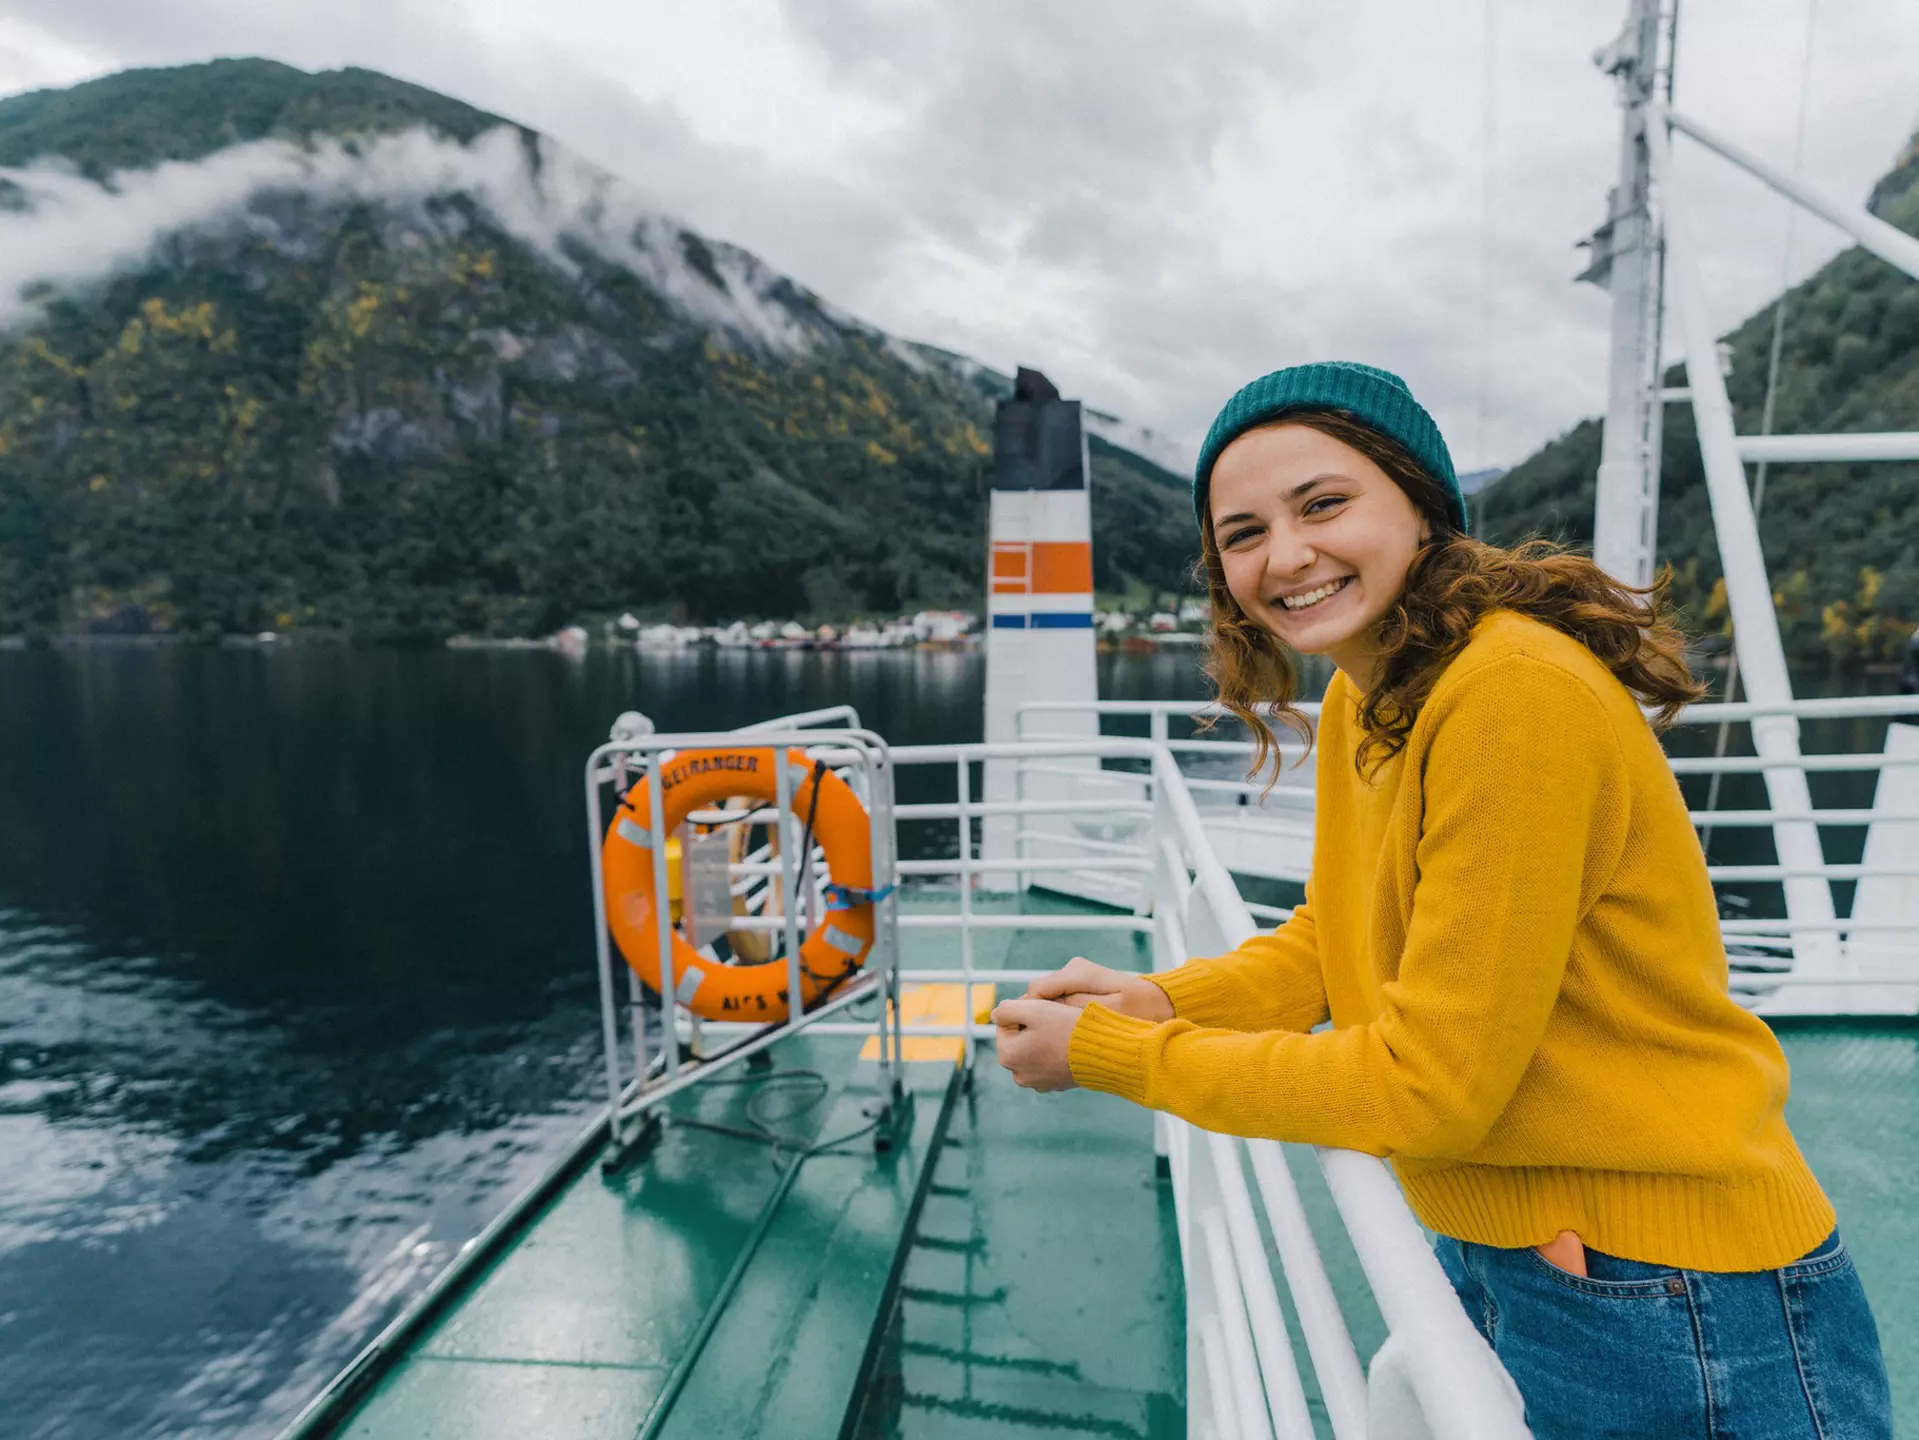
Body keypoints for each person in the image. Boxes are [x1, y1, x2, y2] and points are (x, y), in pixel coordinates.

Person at [992, 362, 1891, 1439]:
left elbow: (1432, 1086)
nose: (1284, 556)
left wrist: (1114, 1059)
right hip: (1525, 1252)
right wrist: (1161, 1000)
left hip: (1675, 1292)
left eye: (1322, 504)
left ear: (1420, 504)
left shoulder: (1511, 695)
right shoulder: (1361, 701)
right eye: (1240, 533)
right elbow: (1335, 938)